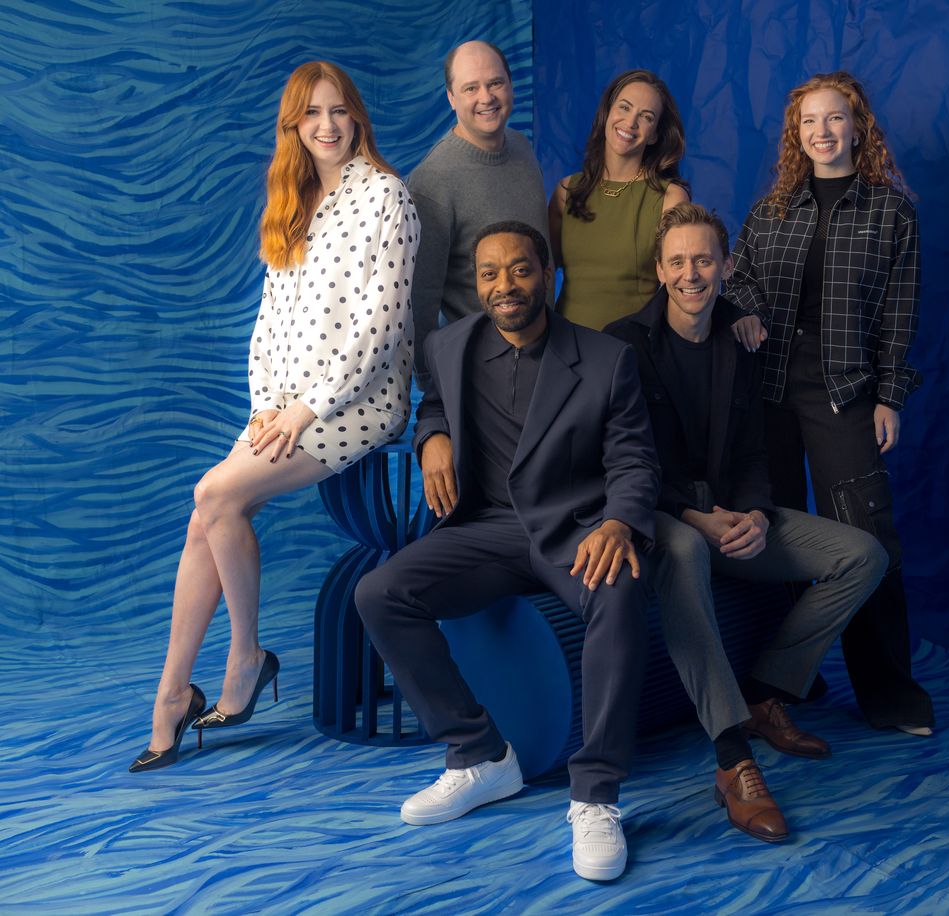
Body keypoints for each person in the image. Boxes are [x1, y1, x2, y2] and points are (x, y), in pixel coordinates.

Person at [128, 61, 419, 772]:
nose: (327, 126)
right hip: (284, 407)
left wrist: (307, 406)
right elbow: (268, 329)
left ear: (357, 117)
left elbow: (380, 328)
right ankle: (175, 693)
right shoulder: (292, 204)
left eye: (339, 110)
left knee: (214, 495)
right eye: (311, 115)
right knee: (209, 513)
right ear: (293, 127)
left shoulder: (388, 198)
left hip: (359, 400)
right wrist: (267, 408)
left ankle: (241, 658)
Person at [355, 222, 658, 882]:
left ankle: (596, 797)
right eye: (489, 274)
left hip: (574, 529)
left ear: (547, 276)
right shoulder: (449, 345)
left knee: (621, 592)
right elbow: (435, 407)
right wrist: (431, 437)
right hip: (486, 531)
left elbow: (634, 458)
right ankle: (479, 756)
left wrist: (619, 523)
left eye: (519, 270)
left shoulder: (605, 360)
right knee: (378, 593)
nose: (504, 286)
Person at [606, 203, 887, 842]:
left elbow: (758, 449)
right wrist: (691, 515)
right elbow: (625, 457)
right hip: (663, 514)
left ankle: (767, 691)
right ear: (659, 269)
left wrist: (758, 515)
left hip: (736, 510)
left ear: (726, 265)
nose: (691, 273)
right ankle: (734, 757)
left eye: (704, 259)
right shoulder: (624, 343)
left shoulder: (743, 337)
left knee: (863, 556)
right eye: (677, 261)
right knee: (683, 553)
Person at [725, 71, 934, 735]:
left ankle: (889, 690)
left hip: (844, 390)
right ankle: (789, 677)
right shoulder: (770, 212)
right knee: (773, 530)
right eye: (809, 121)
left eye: (834, 118)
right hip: (767, 389)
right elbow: (742, 279)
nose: (822, 132)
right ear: (797, 135)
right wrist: (749, 311)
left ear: (856, 126)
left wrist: (889, 397)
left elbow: (900, 314)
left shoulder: (891, 213)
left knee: (867, 536)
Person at [408, 40, 551, 385]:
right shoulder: (432, 182)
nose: (486, 97)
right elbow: (420, 301)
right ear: (451, 98)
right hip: (484, 370)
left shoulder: (521, 146)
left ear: (510, 86)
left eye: (495, 83)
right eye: (471, 87)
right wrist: (436, 392)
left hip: (545, 352)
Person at [549, 69, 689, 330]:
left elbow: (685, 286)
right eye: (624, 108)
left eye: (646, 117)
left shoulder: (670, 198)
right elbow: (542, 274)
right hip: (565, 349)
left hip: (633, 352)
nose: (630, 122)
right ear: (607, 113)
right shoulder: (566, 191)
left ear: (655, 134)